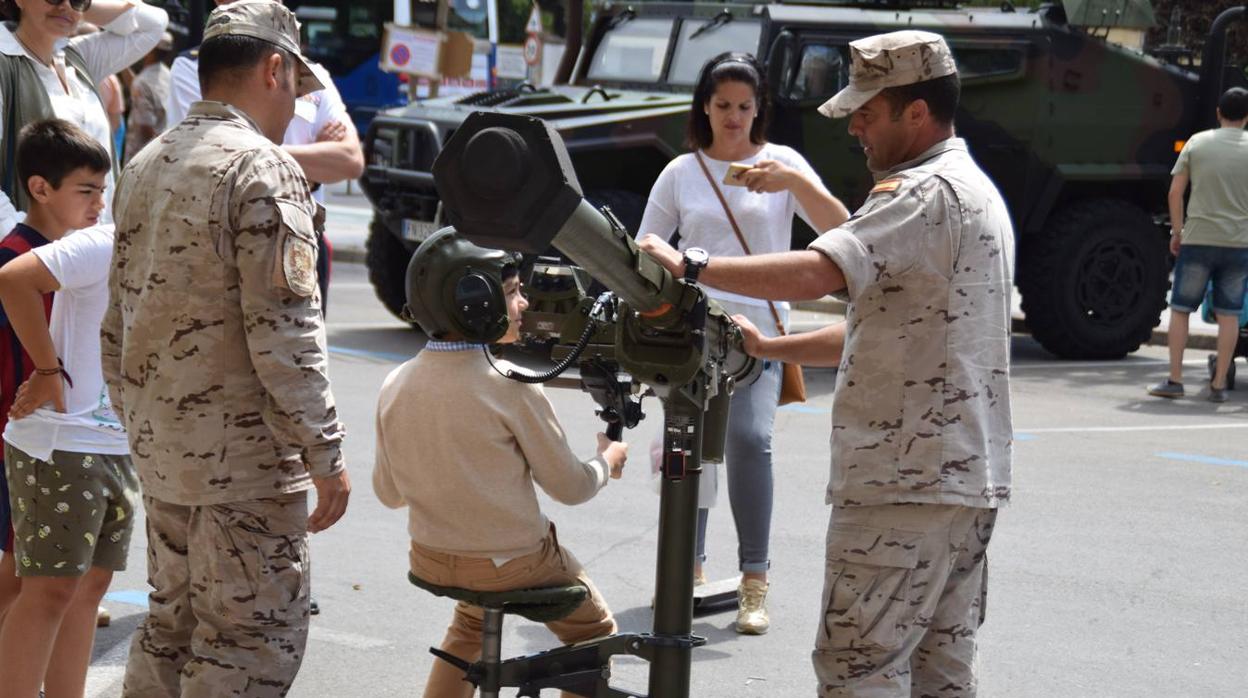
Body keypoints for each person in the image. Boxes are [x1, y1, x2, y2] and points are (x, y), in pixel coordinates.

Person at [639, 30, 1013, 696]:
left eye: (868, 111)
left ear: (916, 112)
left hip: (902, 487)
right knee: (940, 675)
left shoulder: (917, 194)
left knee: (859, 673)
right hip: (961, 487)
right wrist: (772, 347)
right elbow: (881, 324)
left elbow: (819, 272)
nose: (856, 128)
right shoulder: (974, 188)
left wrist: (694, 265)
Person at [101, 1, 350, 694]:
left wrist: (145, 428)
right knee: (248, 645)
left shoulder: (146, 164)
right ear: (273, 68)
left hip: (165, 454)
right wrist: (325, 453)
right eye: (294, 93)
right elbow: (287, 334)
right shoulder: (261, 169)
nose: (291, 113)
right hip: (246, 469)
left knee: (169, 631)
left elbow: (116, 324)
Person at [635, 51, 849, 635]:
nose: (733, 118)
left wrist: (796, 181)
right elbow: (645, 243)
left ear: (760, 110)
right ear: (704, 107)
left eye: (744, 107)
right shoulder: (681, 171)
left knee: (751, 441)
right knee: (689, 448)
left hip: (760, 332)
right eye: (723, 105)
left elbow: (845, 232)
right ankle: (688, 571)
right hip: (691, 331)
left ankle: (755, 581)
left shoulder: (782, 164)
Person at [373, 228, 628, 698]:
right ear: (475, 303)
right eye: (512, 291)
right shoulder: (511, 383)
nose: (525, 303)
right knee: (593, 636)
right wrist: (605, 461)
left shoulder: (396, 382)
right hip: (514, 565)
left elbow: (388, 494)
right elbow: (570, 488)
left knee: (470, 625)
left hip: (430, 556)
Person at [0, 118, 132, 698]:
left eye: (105, 191)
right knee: (44, 589)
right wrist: (48, 371)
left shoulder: (122, 241)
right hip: (56, 440)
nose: (99, 204)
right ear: (40, 187)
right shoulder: (82, 247)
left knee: (87, 589)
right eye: (87, 190)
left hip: (112, 442)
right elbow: (13, 281)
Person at [165, 0, 364, 310]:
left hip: (303, 234)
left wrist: (255, 153)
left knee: (303, 347)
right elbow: (212, 154)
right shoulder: (194, 68)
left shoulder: (314, 75)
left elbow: (350, 159)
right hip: (230, 234)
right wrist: (310, 166)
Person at [0, 0, 168, 234]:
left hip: (99, 246)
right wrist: (21, 241)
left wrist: (82, 8)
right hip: (42, 257)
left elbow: (155, 24)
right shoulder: (4, 63)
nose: (65, 6)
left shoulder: (76, 58)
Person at [1148, 87, 1248, 403]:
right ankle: (1218, 385)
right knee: (1230, 313)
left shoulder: (1197, 143)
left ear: (1219, 113)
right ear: (1247, 117)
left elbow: (1175, 192)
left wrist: (1177, 232)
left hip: (1199, 238)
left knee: (1181, 309)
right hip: (1239, 243)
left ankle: (1175, 380)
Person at [122, 30, 172, 160]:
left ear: (149, 49)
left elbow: (145, 127)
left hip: (141, 156)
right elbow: (139, 89)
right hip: (163, 150)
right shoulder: (168, 75)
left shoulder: (142, 82)